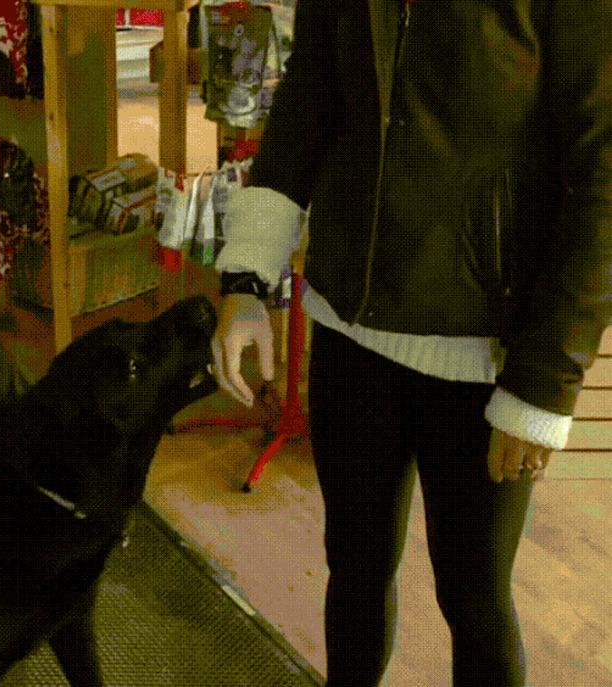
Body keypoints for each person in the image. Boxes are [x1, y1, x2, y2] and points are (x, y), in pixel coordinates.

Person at [211, 2, 612, 686]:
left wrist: (546, 380)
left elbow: (605, 168)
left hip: (485, 351)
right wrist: (246, 276)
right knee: (356, 570)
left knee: (475, 598)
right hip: (348, 327)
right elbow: (311, 94)